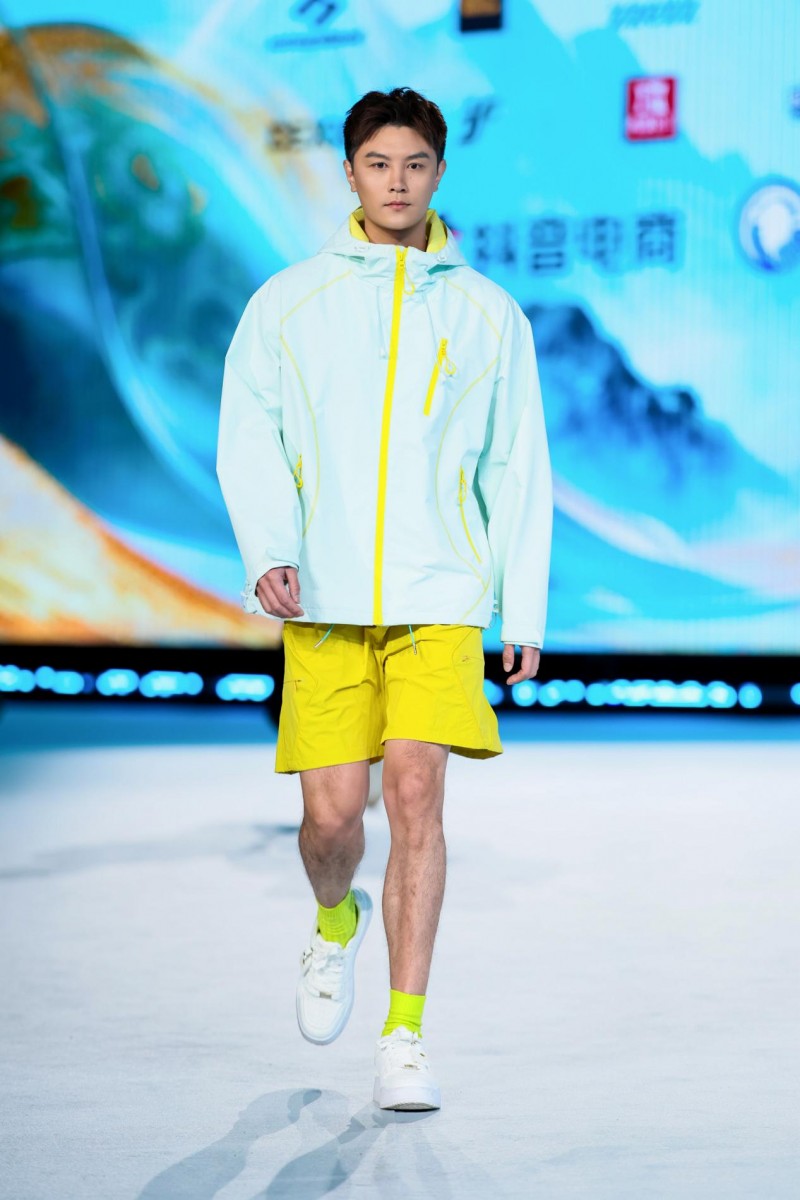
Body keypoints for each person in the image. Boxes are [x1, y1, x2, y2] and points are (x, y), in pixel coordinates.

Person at [217, 86, 553, 1112]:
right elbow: (250, 433)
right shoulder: (289, 301)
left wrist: (523, 610)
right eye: (377, 163)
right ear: (350, 172)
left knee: (415, 798)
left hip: (439, 599)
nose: (396, 182)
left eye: (414, 164)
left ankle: (404, 1035)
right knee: (330, 824)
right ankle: (335, 923)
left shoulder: (488, 313)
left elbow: (517, 466)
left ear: (439, 172)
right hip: (323, 602)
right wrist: (270, 550)